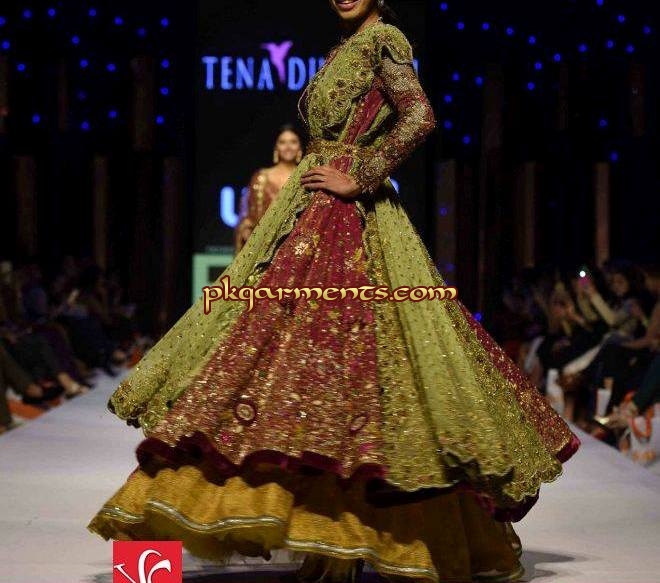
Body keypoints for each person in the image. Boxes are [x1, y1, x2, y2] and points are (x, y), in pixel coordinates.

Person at [87, 2, 580, 582]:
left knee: (342, 366)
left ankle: (343, 548)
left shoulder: (384, 39)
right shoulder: (343, 48)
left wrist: (360, 174)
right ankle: (312, 549)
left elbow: (419, 116)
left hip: (350, 217)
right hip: (309, 212)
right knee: (276, 363)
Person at [234, 125, 305, 254]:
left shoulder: (306, 176)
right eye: (282, 142)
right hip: (263, 247)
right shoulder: (261, 178)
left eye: (293, 142)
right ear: (276, 147)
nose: (288, 147)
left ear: (300, 147)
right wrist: (247, 232)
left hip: (297, 247)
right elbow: (247, 216)